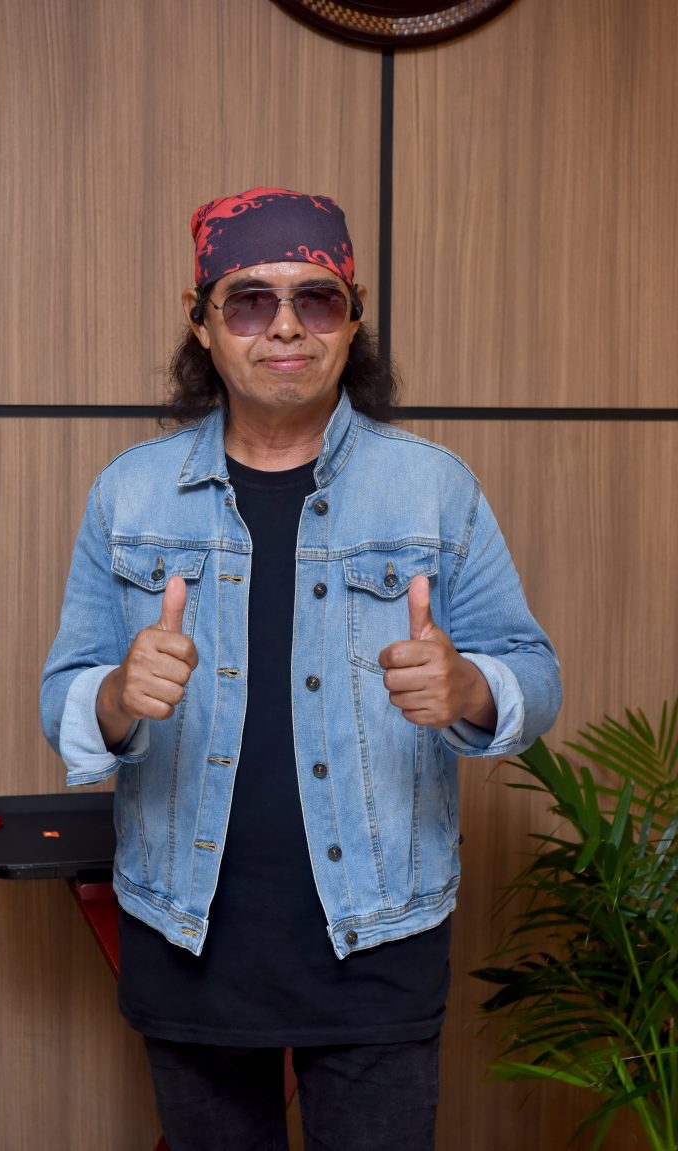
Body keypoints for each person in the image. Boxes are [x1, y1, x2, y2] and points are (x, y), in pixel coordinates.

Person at [41, 187, 561, 1151]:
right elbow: (64, 691)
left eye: (316, 298)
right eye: (250, 300)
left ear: (352, 318)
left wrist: (471, 690)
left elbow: (534, 669)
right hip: (186, 934)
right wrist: (114, 695)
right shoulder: (130, 493)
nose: (285, 325)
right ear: (201, 322)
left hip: (380, 937)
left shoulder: (434, 488)